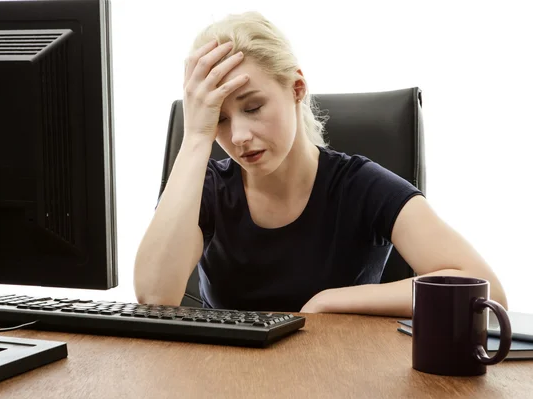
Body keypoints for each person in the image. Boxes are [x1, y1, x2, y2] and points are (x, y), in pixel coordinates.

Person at [133, 11, 508, 316]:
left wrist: (330, 301)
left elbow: (484, 290)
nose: (240, 136)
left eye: (252, 107)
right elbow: (154, 296)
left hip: (339, 375)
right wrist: (197, 134)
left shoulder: (360, 185)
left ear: (296, 88)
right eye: (221, 119)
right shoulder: (210, 188)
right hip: (229, 377)